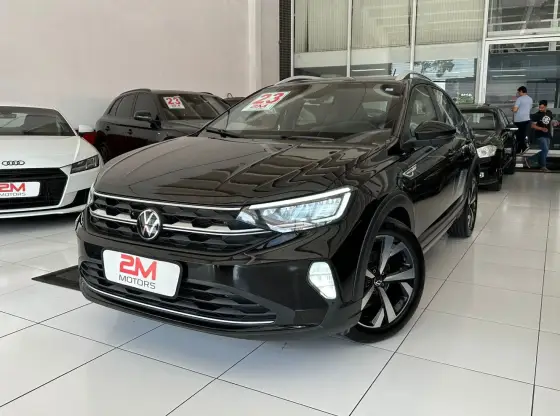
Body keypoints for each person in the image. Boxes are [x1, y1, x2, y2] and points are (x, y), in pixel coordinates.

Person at [530, 100, 553, 172]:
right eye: (539, 107)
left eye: (542, 107)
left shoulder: (549, 113)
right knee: (545, 149)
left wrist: (554, 123)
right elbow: (532, 125)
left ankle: (532, 159)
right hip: (540, 135)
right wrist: (541, 128)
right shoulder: (536, 115)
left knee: (545, 151)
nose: (540, 109)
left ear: (546, 107)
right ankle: (543, 166)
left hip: (547, 135)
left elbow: (550, 122)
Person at [513, 86, 533, 152]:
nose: (518, 93)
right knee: (524, 135)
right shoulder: (530, 99)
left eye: (519, 92)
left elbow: (515, 109)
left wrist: (512, 109)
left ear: (521, 91)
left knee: (518, 136)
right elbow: (529, 108)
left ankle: (518, 150)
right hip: (527, 120)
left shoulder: (519, 99)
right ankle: (524, 147)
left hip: (519, 120)